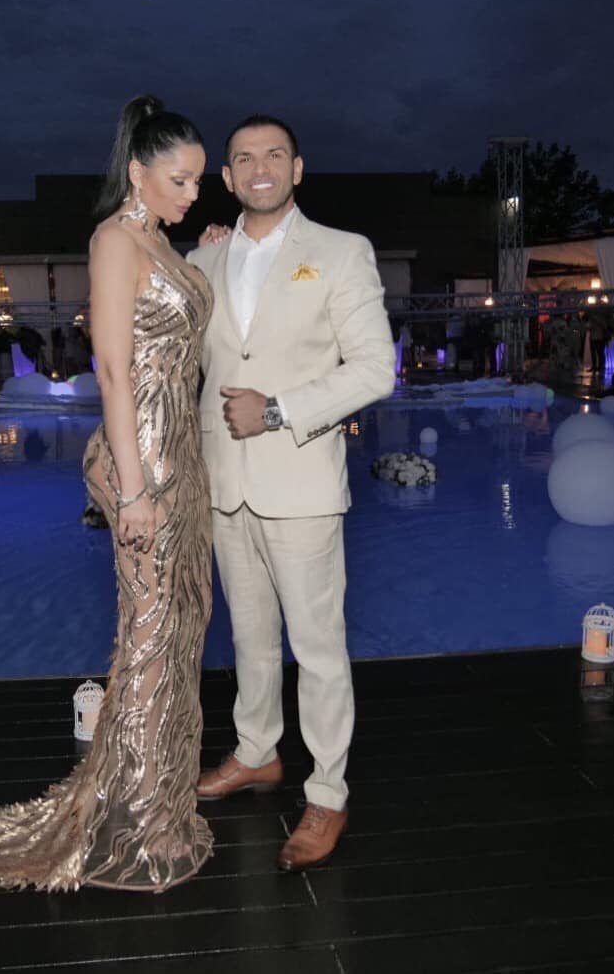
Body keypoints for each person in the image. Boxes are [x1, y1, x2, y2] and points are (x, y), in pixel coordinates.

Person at [0, 95, 212, 892]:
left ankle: (159, 801)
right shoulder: (113, 240)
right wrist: (131, 491)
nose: (193, 193)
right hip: (144, 461)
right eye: (180, 179)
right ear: (139, 171)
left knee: (176, 633)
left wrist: (207, 256)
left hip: (180, 455)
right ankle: (137, 823)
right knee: (152, 640)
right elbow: (114, 371)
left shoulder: (160, 242)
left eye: (198, 180)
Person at [187, 115, 395, 871]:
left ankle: (328, 792)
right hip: (224, 482)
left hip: (300, 480)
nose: (260, 167)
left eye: (274, 154)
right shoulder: (202, 260)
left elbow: (375, 369)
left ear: (297, 168)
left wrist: (277, 410)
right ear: (228, 177)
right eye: (244, 158)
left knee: (318, 648)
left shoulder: (341, 252)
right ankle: (256, 751)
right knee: (248, 635)